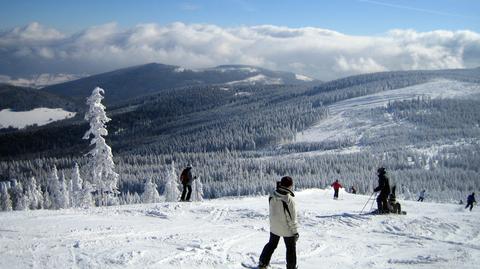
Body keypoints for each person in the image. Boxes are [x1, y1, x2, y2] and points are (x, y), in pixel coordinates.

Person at [259, 176, 298, 269]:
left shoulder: (272, 195)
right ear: (290, 186)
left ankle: (263, 262)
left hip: (274, 227)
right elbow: (292, 219)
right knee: (291, 248)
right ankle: (291, 267)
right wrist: (295, 232)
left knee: (271, 244)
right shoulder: (288, 200)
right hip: (286, 230)